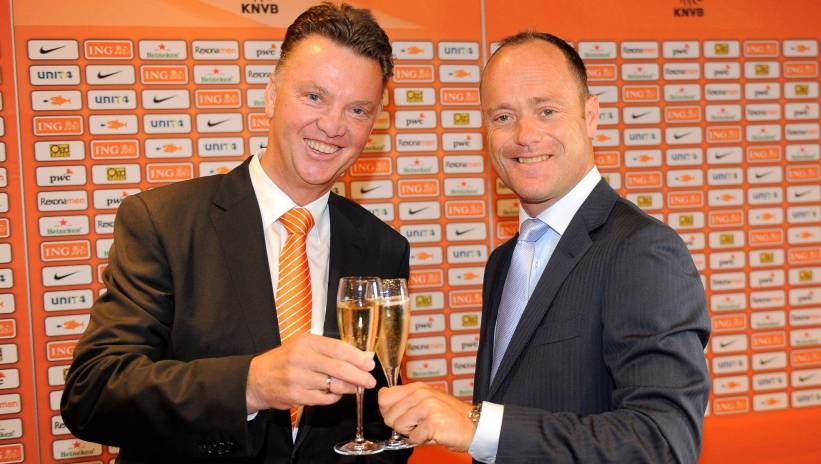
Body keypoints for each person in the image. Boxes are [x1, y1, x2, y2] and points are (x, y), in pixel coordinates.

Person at [61, 3, 411, 463]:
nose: (332, 125)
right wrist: (250, 384)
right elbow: (92, 393)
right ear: (271, 97)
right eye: (314, 97)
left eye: (358, 109)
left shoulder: (383, 247)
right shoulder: (163, 221)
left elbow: (377, 416)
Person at [378, 32, 711, 463]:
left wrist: (477, 425)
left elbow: (663, 442)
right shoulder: (503, 262)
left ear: (591, 117)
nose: (525, 135)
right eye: (503, 116)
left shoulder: (642, 251)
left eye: (546, 111)